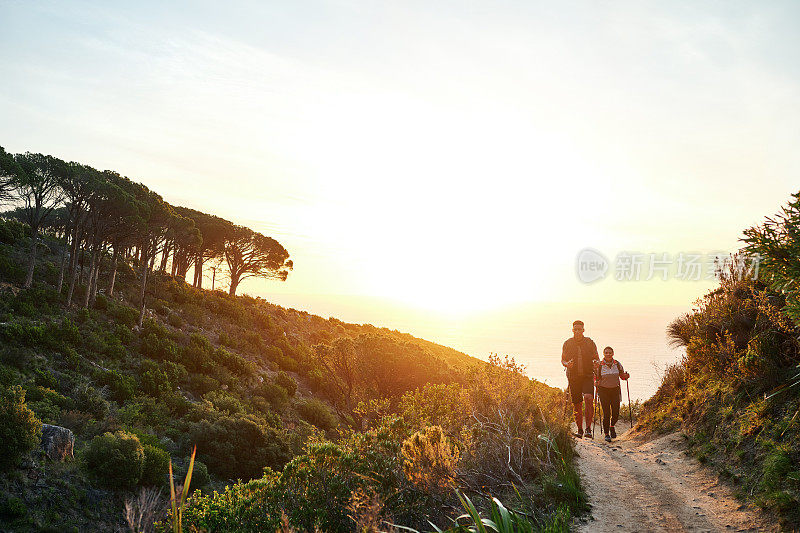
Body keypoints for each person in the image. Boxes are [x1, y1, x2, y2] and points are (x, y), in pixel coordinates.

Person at [562, 320, 599, 438]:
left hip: (588, 376)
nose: (577, 331)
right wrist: (567, 364)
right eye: (575, 329)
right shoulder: (567, 343)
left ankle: (588, 429)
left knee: (588, 398)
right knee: (577, 404)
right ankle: (580, 430)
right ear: (572, 330)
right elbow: (562, 360)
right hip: (574, 377)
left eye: (579, 329)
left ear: (583, 330)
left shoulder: (590, 342)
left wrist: (596, 363)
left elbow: (596, 357)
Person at [595, 346, 630, 442]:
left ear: (613, 353)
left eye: (610, 352)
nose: (608, 354)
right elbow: (596, 377)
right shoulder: (600, 365)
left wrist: (626, 376)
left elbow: (622, 376)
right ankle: (606, 434)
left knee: (616, 413)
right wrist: (596, 382)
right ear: (603, 354)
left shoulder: (617, 364)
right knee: (606, 413)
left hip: (615, 390)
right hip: (603, 391)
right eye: (606, 353)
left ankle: (612, 426)